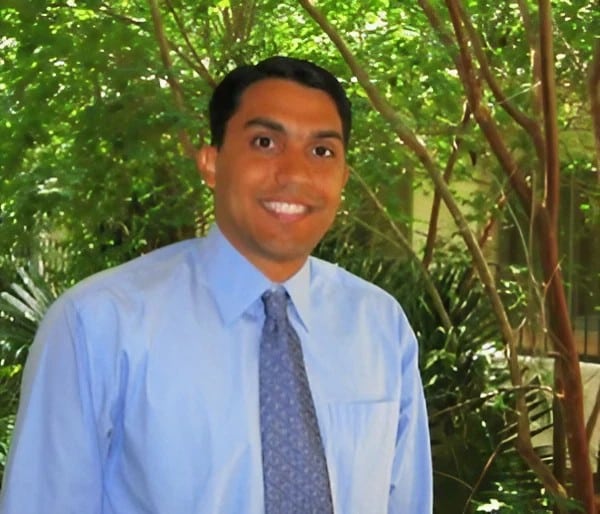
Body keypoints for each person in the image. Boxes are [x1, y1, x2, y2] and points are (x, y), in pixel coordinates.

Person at [0, 56, 432, 513]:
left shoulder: (379, 325)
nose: (295, 174)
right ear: (211, 162)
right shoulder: (98, 324)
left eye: (322, 151)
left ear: (343, 178)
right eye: (265, 142)